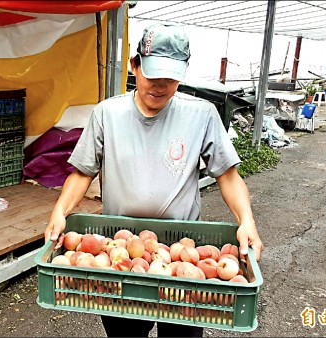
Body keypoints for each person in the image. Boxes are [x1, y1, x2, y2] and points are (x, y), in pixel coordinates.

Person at [44, 23, 264, 337]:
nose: (159, 87)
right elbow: (82, 171)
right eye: (152, 76)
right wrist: (60, 210)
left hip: (179, 252)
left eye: (170, 79)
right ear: (135, 66)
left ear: (183, 73)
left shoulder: (200, 115)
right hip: (120, 248)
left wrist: (246, 220)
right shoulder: (107, 114)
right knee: (124, 333)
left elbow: (228, 175)